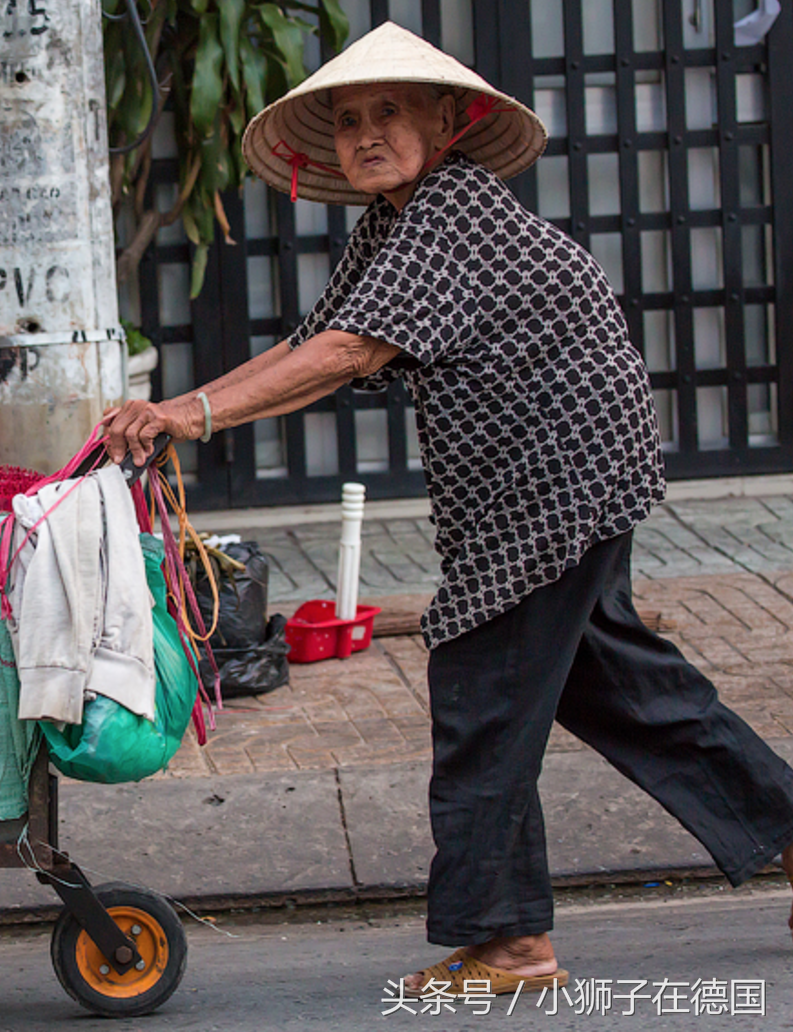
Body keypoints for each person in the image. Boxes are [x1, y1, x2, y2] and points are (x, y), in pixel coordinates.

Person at [103, 21, 793, 995]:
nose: (366, 134)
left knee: (482, 690)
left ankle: (511, 941)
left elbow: (345, 356)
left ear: (447, 120)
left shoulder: (451, 208)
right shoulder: (398, 220)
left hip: (553, 482)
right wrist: (186, 413)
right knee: (619, 689)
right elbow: (316, 340)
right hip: (557, 480)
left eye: (389, 112)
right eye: (347, 121)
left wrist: (188, 411)